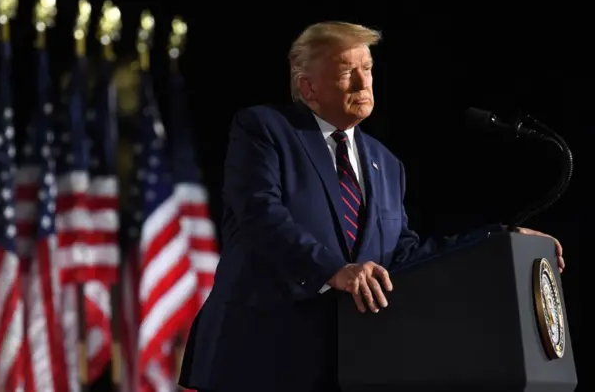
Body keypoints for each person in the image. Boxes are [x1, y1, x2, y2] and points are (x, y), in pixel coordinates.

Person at [178, 21, 564, 392]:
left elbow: (404, 254)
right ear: (307, 87)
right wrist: (335, 270)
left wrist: (500, 240)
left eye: (368, 68)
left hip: (352, 365)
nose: (364, 83)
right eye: (348, 71)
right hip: (261, 358)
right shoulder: (265, 129)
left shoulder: (387, 164)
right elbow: (259, 216)